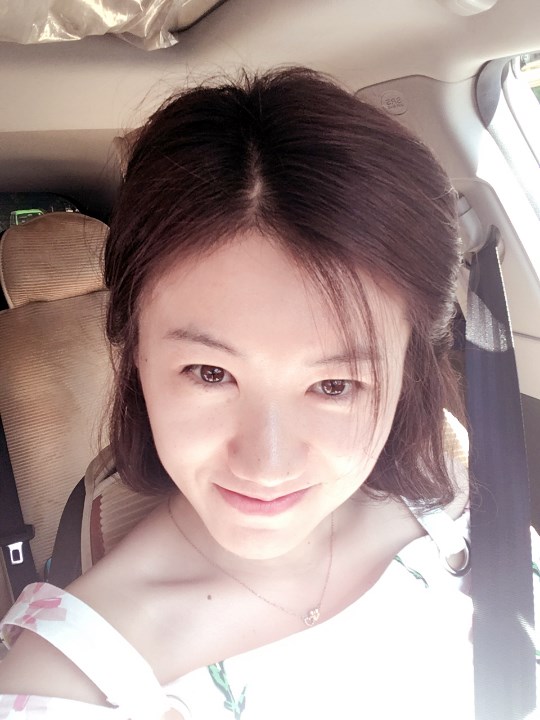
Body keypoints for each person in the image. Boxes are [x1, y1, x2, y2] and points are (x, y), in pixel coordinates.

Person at [0, 66, 517, 719]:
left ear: (409, 367)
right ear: (134, 355)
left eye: (334, 385)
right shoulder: (65, 683)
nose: (267, 465)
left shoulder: (459, 502)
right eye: (210, 373)